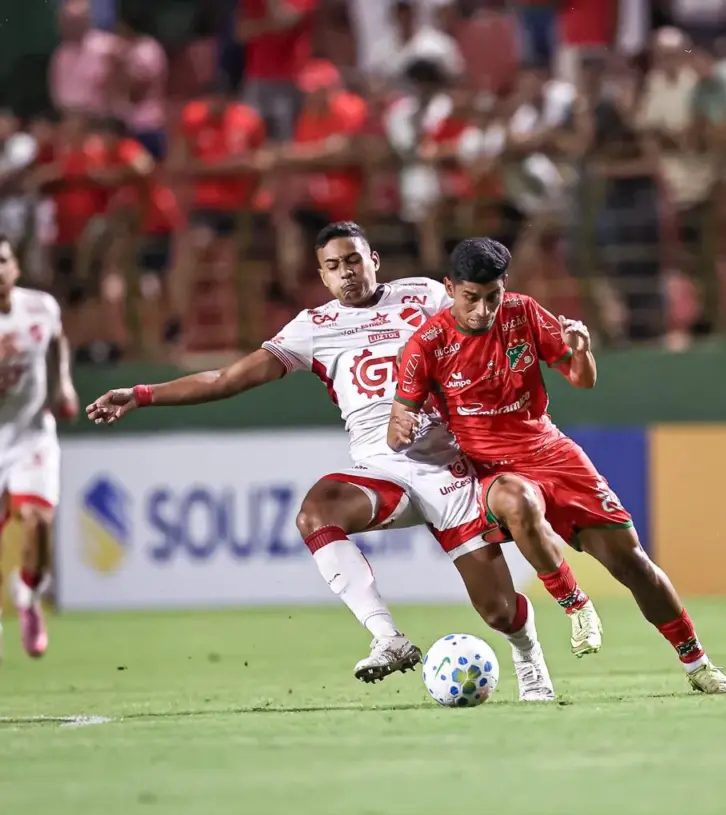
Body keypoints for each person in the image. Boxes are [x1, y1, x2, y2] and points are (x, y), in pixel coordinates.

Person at [86, 222, 555, 700]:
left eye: (353, 260)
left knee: (498, 610)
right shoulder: (314, 327)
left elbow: (488, 329)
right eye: (333, 266)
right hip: (380, 469)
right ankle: (388, 638)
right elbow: (226, 377)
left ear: (374, 261)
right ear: (322, 276)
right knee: (316, 511)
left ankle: (528, 657)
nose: (346, 273)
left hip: (449, 466)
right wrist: (143, 394)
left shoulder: (425, 295)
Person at [388, 238, 726, 694]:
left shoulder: (524, 313)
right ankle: (576, 605)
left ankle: (698, 663)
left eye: (491, 296)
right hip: (491, 468)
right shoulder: (427, 346)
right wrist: (402, 429)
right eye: (470, 298)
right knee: (517, 500)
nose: (481, 310)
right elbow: (399, 422)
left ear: (504, 287)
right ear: (449, 287)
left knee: (632, 563)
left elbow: (582, 379)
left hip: (552, 452)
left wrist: (582, 350)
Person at [0, 234, 79, 660]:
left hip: (30, 429)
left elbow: (57, 340)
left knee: (39, 521)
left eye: (2, 261)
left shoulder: (41, 307)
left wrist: (63, 382)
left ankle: (27, 597)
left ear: (15, 266)